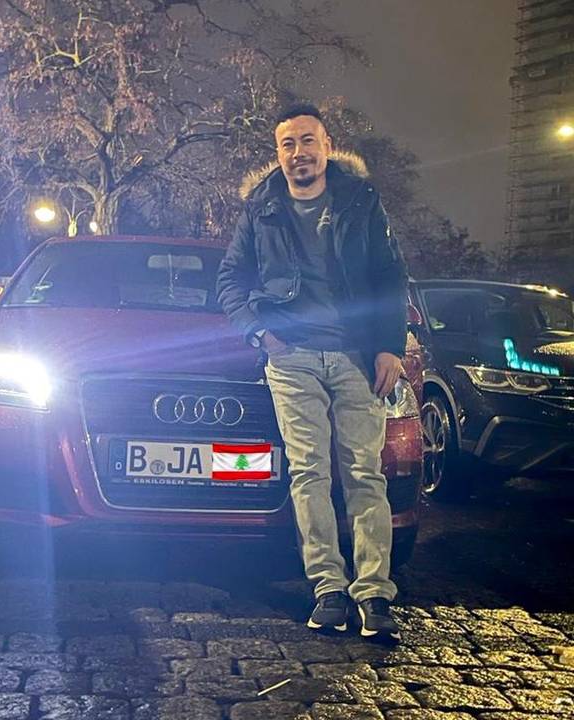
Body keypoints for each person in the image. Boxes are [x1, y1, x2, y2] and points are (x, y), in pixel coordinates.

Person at [216, 103, 408, 641]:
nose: (298, 152)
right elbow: (230, 278)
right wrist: (260, 334)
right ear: (278, 153)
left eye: (307, 140)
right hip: (292, 358)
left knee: (365, 474)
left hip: (357, 355)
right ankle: (328, 588)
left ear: (326, 146)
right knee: (308, 473)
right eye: (287, 144)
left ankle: (374, 594)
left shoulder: (361, 200)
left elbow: (390, 275)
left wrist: (389, 346)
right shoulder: (261, 207)